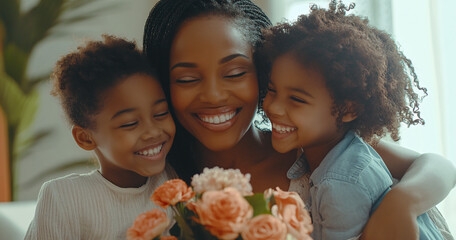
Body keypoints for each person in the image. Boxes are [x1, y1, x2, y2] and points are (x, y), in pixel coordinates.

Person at [142, 0, 455, 239]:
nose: (213, 95)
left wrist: (402, 203)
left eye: (235, 73)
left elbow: (437, 166)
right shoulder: (160, 185)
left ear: (264, 71)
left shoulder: (313, 145)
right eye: (186, 79)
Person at [259, 1, 446, 239]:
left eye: (297, 99)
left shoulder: (340, 182)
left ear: (349, 109)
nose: (273, 107)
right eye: (272, 90)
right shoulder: (342, 154)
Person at [25, 35, 177, 239]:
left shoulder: (174, 179)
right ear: (85, 138)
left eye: (160, 114)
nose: (153, 131)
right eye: (130, 123)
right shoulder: (65, 198)